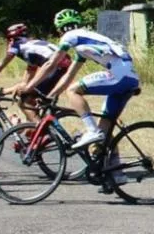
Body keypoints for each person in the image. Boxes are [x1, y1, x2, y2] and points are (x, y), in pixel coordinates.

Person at [29, 9, 140, 156]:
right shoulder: (83, 41)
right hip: (130, 78)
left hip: (119, 74)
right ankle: (115, 172)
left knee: (72, 90)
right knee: (104, 129)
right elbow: (69, 74)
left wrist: (29, 87)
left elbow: (51, 64)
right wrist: (51, 95)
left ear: (59, 29)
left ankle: (91, 130)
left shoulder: (69, 36)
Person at [0, 23, 71, 123]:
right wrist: (3, 91)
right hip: (63, 64)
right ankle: (34, 132)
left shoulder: (16, 46)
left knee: (24, 102)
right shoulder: (31, 46)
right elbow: (25, 83)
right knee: (29, 99)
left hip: (55, 66)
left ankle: (42, 132)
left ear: (11, 39)